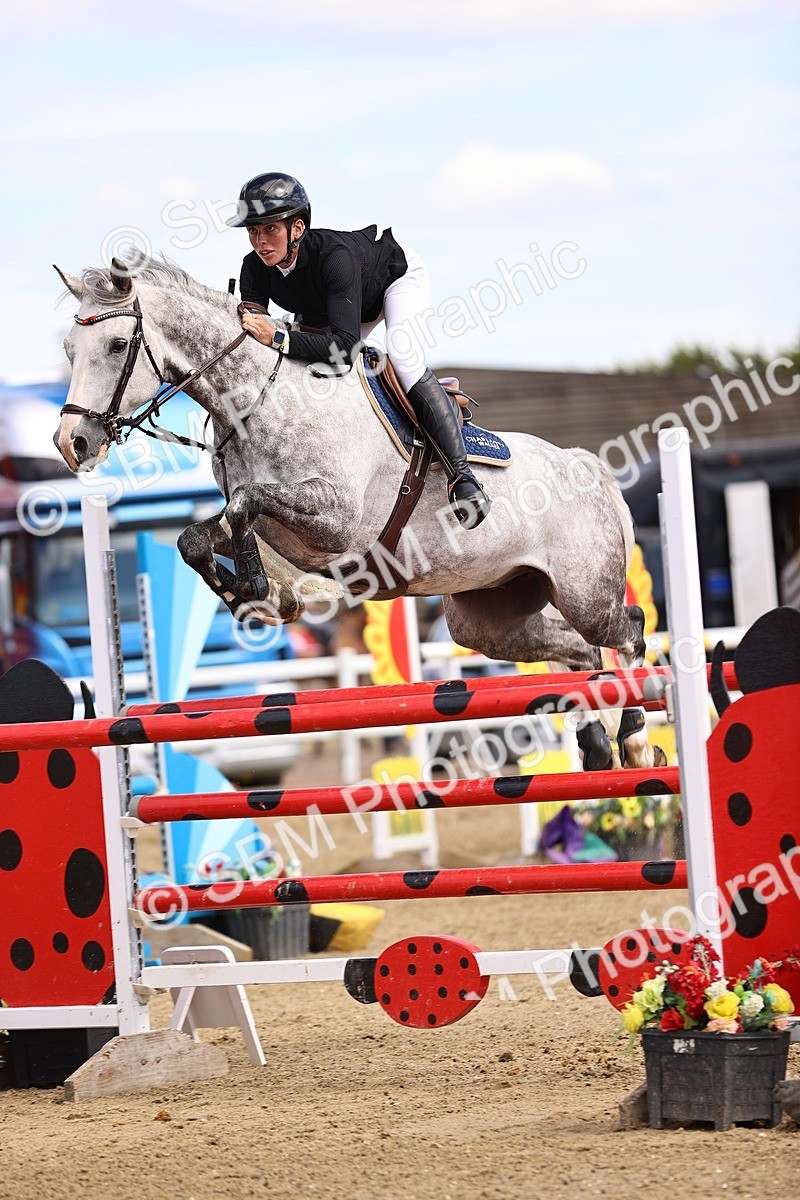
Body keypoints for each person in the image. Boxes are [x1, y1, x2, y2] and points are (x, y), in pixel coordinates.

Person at [226, 171, 491, 528]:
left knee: (403, 359)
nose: (260, 241)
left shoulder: (334, 258)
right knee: (314, 369)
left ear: (298, 229)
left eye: (270, 229)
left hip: (393, 281)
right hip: (337, 308)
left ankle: (463, 478)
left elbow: (345, 346)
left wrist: (278, 337)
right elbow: (256, 336)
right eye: (253, 231)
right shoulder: (252, 268)